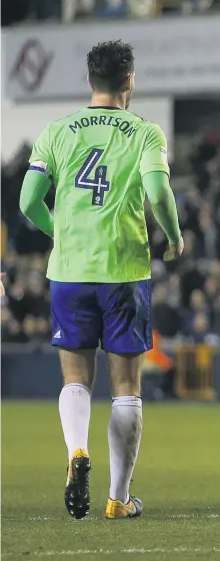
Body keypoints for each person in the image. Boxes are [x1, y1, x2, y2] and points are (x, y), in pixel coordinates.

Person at [18, 40, 182, 520]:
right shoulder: (145, 132)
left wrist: (62, 232)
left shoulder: (56, 131)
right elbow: (158, 190)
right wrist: (173, 237)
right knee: (127, 385)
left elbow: (29, 202)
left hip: (68, 273)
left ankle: (76, 451)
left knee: (75, 378)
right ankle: (117, 498)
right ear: (130, 79)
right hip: (124, 272)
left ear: (90, 81)